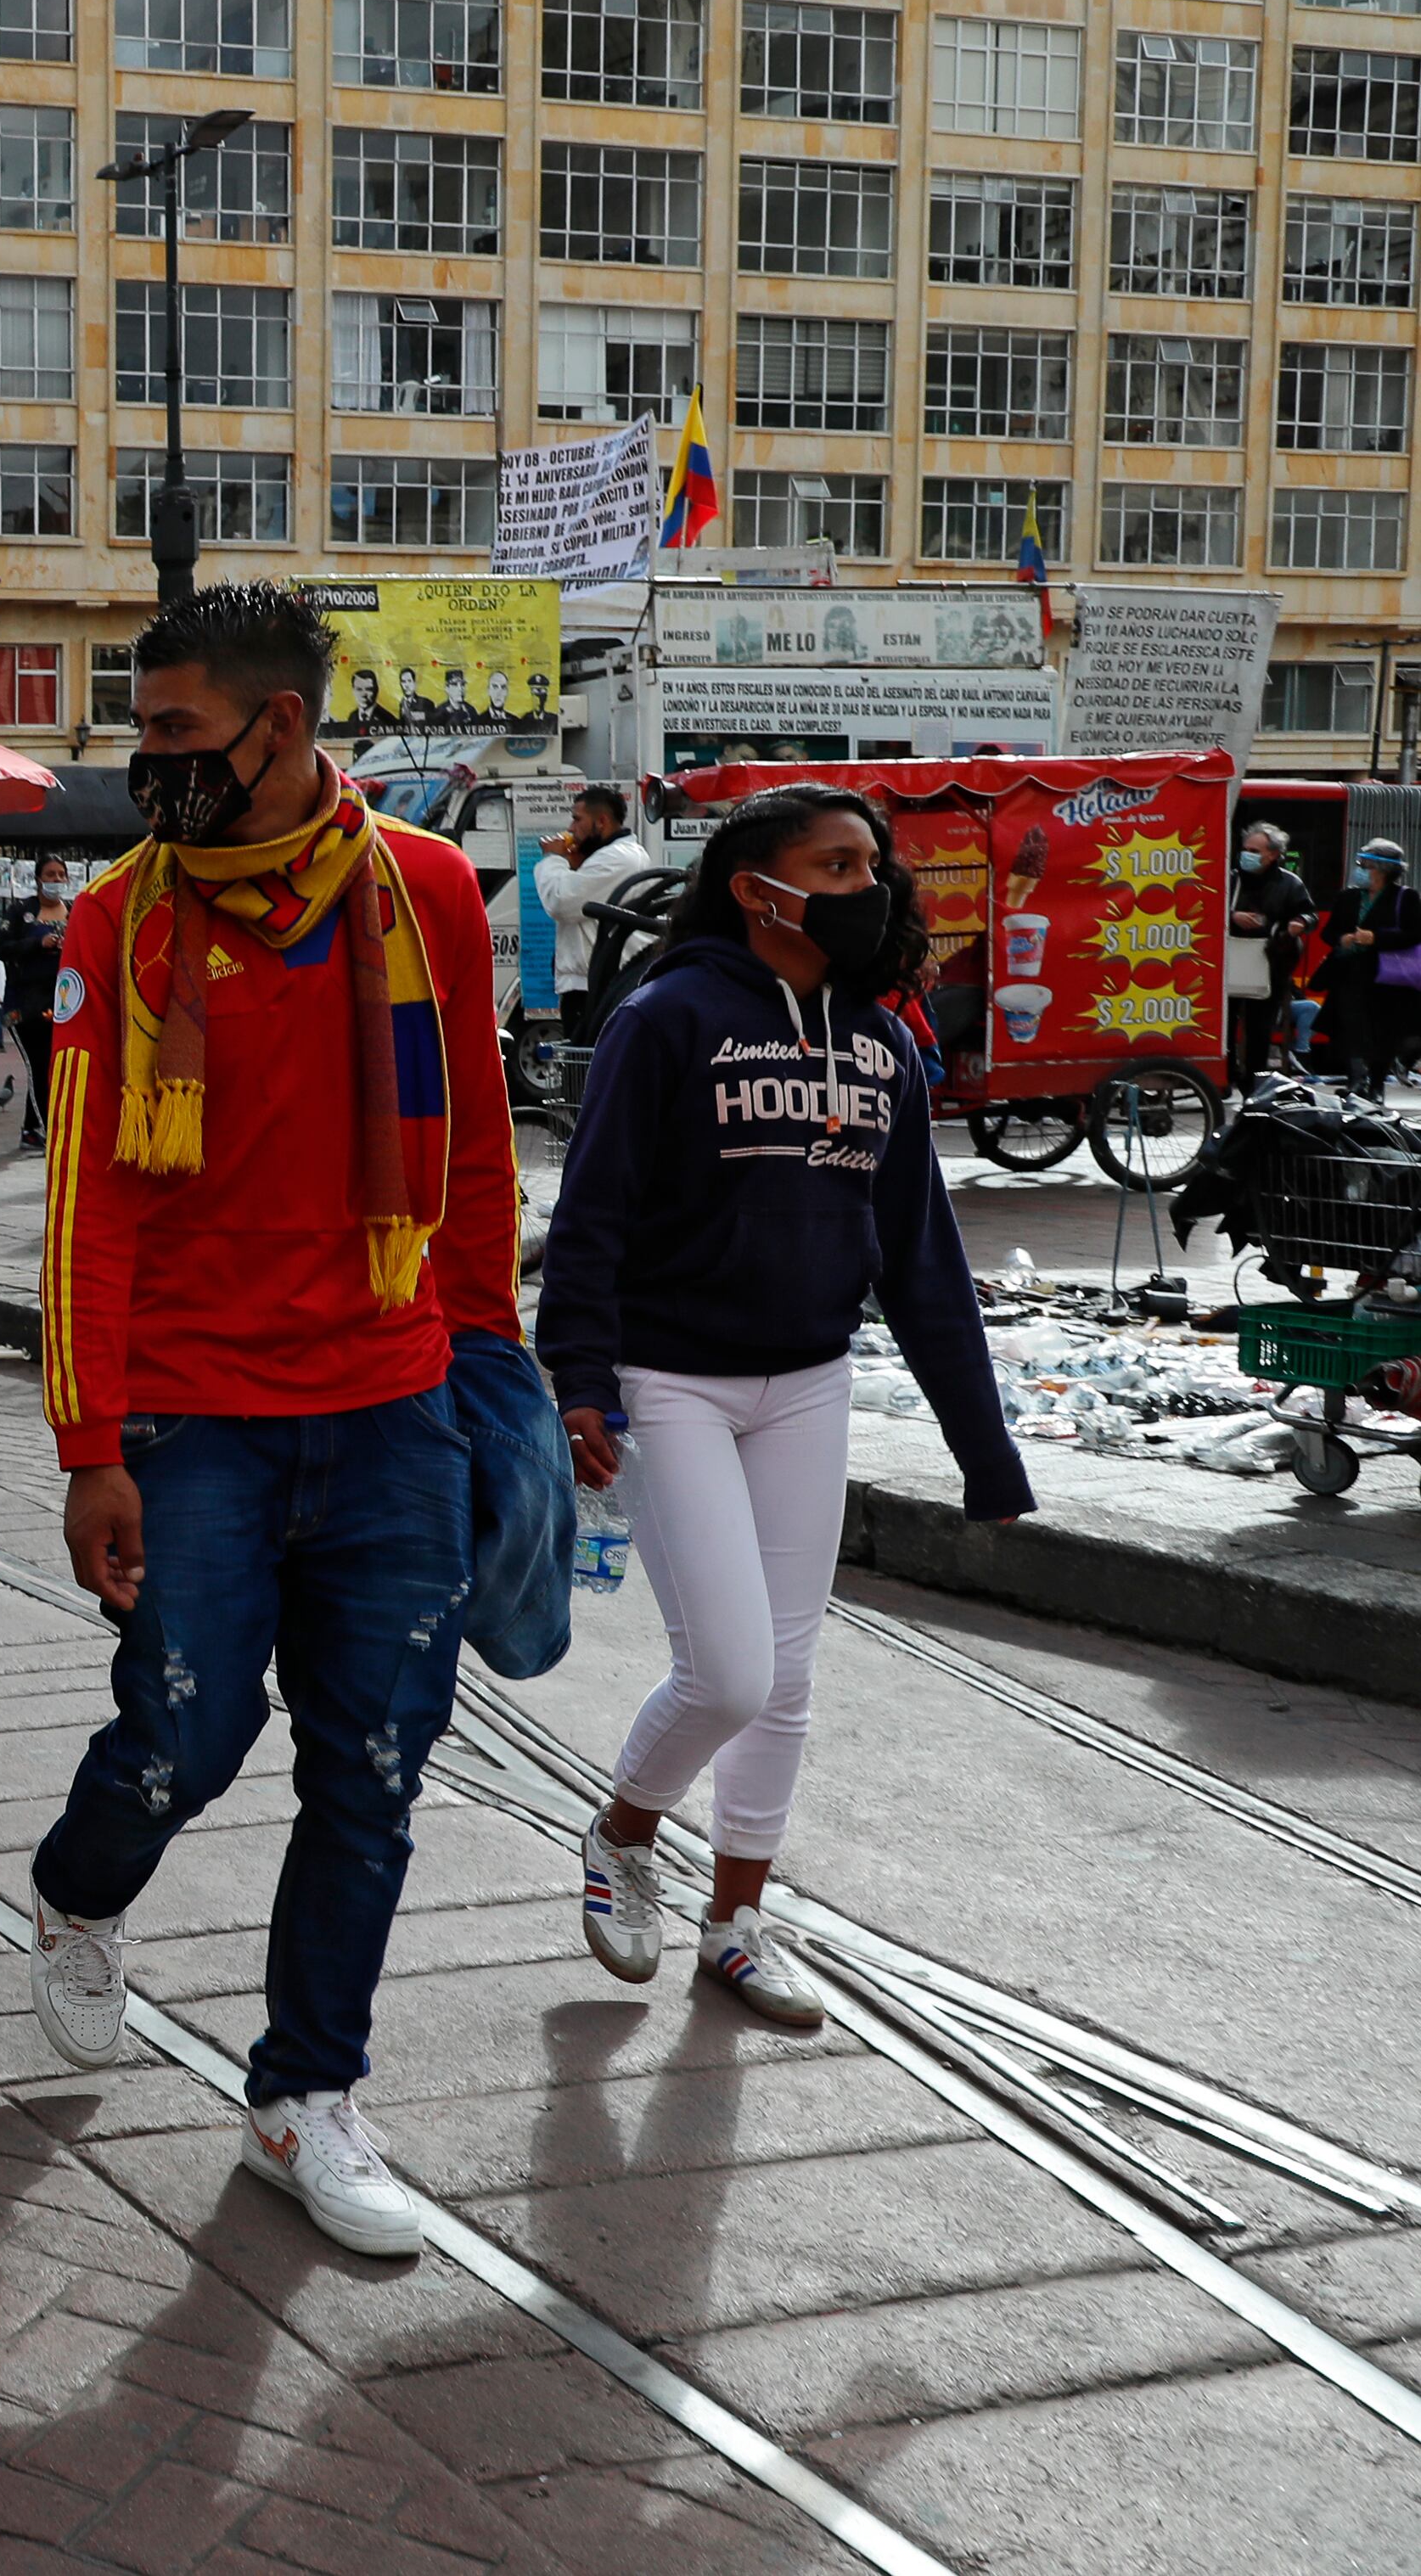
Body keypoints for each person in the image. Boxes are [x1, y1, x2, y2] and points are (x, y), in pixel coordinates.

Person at [24, 583, 522, 2262]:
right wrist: (89, 1443)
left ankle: (306, 2092)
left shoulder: (429, 892)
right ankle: (82, 1885)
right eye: (143, 728)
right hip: (192, 1418)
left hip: (393, 1406)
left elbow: (471, 1147)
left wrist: (493, 1376)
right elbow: (83, 1193)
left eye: (173, 730)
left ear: (280, 725)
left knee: (372, 1766)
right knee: (183, 1734)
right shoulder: (116, 921)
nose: (146, 760)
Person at [544, 783, 1036, 2029]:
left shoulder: (882, 1045)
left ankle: (738, 1922)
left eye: (872, 864)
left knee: (787, 1674)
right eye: (835, 865)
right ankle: (624, 1832)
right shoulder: (665, 1016)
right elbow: (590, 1213)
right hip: (670, 1378)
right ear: (757, 889)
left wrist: (985, 1449)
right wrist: (581, 1378)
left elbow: (921, 1258)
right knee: (727, 1672)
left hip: (810, 1378)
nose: (868, 887)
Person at [535, 786, 654, 1052]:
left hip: (600, 986)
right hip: (589, 983)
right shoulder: (608, 856)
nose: (571, 828)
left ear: (601, 821)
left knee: (593, 1066)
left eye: (577, 819)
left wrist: (553, 859)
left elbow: (561, 901)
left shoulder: (621, 858)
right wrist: (575, 864)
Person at [1320, 839, 1418, 1097]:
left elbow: (1414, 934)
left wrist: (1376, 938)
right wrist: (1341, 939)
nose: (1360, 870)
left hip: (1387, 978)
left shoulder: (1406, 897)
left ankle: (1376, 1086)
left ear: (1383, 870)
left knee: (1384, 1033)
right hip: (1349, 973)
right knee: (1349, 1027)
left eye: (1366, 865)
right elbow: (1328, 933)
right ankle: (1356, 1082)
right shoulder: (1348, 897)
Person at [1227, 824, 1318, 1087]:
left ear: (1273, 854)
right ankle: (1226, 1077)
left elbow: (1309, 914)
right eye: (1245, 849)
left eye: (1255, 851)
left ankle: (1255, 1083)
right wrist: (1233, 916)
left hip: (1270, 962)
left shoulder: (1290, 883)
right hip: (1230, 960)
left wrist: (1300, 923)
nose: (1247, 855)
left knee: (1260, 1027)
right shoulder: (1231, 878)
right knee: (1225, 1025)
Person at [0, 856, 73, 1136]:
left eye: (61, 875)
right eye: (50, 874)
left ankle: (34, 1127)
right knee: (38, 1062)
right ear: (38, 879)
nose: (56, 880)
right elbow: (1, 947)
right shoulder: (20, 911)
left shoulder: (74, 911)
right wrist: (38, 942)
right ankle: (41, 1128)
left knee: (53, 1064)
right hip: (25, 1004)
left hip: (63, 1003)